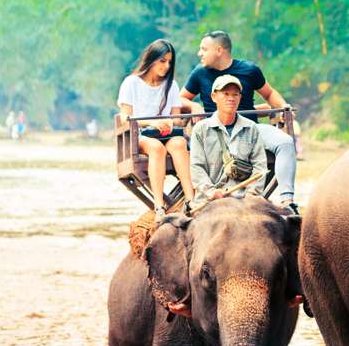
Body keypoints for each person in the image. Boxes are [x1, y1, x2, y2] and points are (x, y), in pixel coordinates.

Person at [180, 30, 298, 211]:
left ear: (219, 50)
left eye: (204, 49)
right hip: (214, 132)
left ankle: (287, 201)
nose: (199, 53)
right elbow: (180, 98)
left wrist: (283, 107)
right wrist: (193, 105)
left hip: (249, 130)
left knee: (285, 142)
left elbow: (269, 93)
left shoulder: (249, 70)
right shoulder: (199, 73)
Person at [117, 39, 194, 220]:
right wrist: (152, 123)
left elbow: (176, 119)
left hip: (166, 134)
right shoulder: (131, 82)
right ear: (151, 59)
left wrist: (170, 123)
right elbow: (125, 117)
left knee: (179, 143)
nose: (166, 66)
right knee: (156, 148)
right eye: (162, 61)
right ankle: (159, 206)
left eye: (169, 62)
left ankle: (191, 200)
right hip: (142, 135)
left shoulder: (171, 85)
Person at [189, 74, 268, 210]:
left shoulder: (251, 128)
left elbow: (260, 166)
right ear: (214, 97)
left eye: (235, 94)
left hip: (243, 199)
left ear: (240, 98)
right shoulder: (200, 129)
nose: (231, 98)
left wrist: (251, 194)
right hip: (209, 201)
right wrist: (211, 192)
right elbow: (196, 167)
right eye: (225, 94)